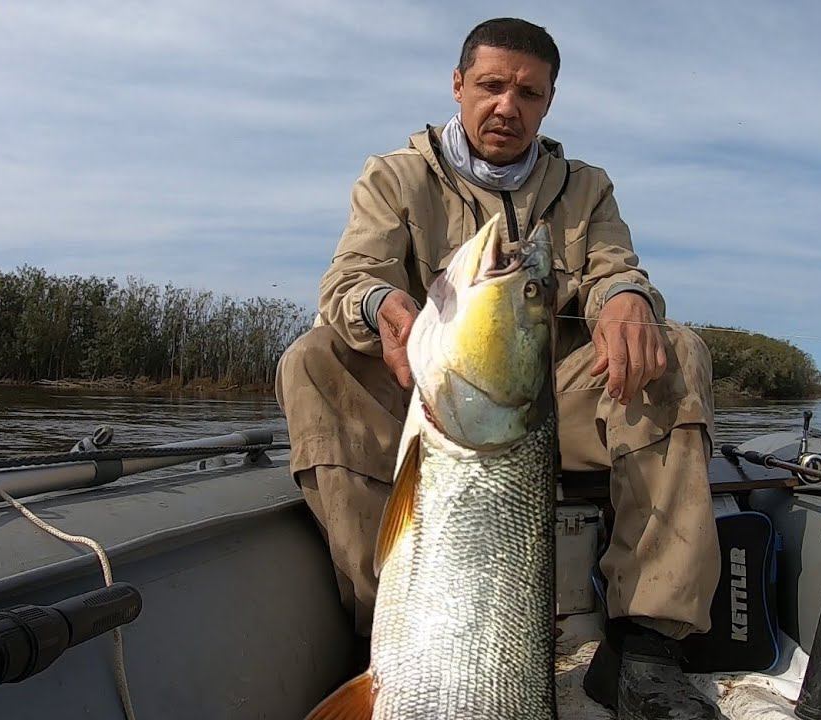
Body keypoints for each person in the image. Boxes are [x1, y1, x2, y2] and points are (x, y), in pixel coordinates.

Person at [276, 17, 723, 720]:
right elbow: (350, 280)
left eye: (528, 93)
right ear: (458, 86)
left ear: (548, 103)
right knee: (312, 358)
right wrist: (379, 305)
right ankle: (387, 628)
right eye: (490, 86)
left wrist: (626, 298)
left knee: (673, 346)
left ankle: (646, 649)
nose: (507, 107)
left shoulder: (587, 187)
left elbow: (614, 268)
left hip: (543, 409)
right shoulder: (394, 177)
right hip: (422, 393)